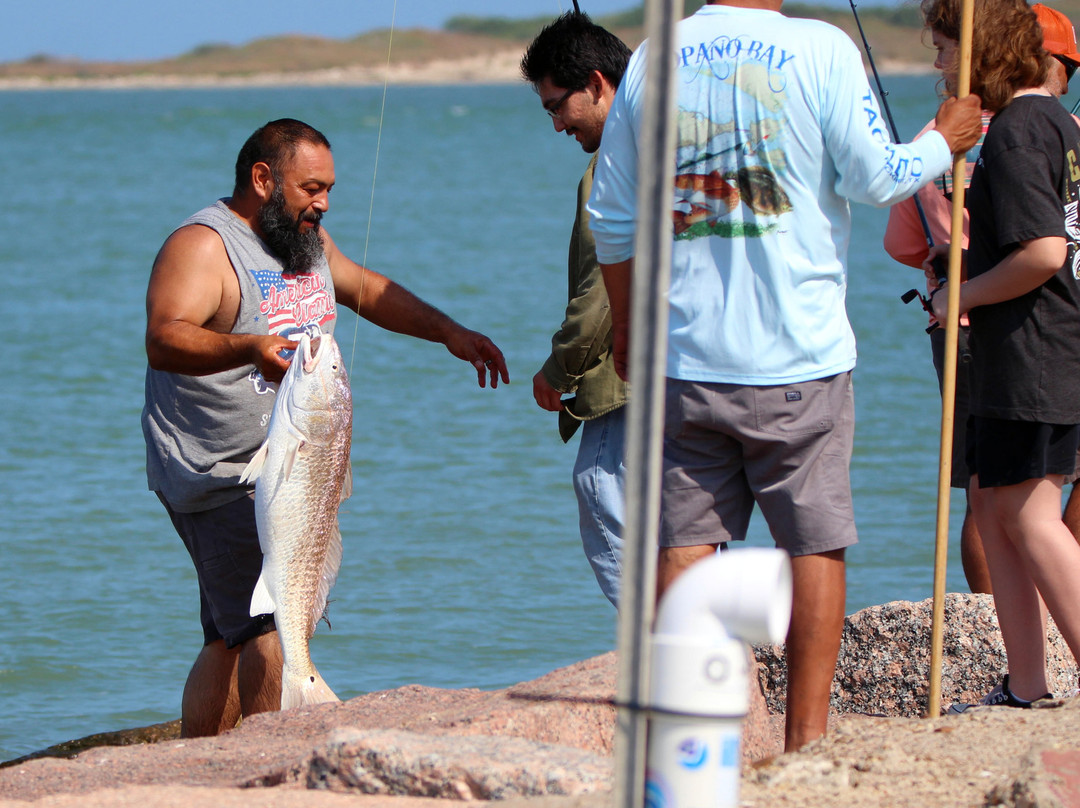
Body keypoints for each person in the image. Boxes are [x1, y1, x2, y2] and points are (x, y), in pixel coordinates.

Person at [586, 0, 982, 750]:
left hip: (684, 359)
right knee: (814, 543)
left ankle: (687, 739)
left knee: (684, 543)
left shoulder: (650, 57)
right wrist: (943, 138)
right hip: (803, 358)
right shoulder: (821, 47)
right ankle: (807, 744)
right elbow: (879, 177)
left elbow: (610, 217)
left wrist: (629, 330)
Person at [142, 119, 510, 738]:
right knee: (268, 630)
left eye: (329, 188)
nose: (324, 202)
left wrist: (450, 332)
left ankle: (200, 758)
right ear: (263, 179)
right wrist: (250, 348)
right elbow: (164, 336)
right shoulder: (205, 245)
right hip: (226, 471)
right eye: (311, 187)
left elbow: (365, 289)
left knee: (231, 633)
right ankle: (264, 767)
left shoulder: (305, 240)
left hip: (300, 469)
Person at [884, 2, 1080, 595]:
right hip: (1045, 322)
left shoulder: (936, 139)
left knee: (985, 487)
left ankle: (993, 620)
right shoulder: (1056, 132)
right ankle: (1053, 609)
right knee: (1037, 490)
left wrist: (950, 272)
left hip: (963, 321)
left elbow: (901, 243)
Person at [922, 0, 1080, 712]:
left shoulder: (1016, 131)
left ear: (978, 53)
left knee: (1030, 516)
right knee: (991, 504)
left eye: (942, 50)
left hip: (1037, 351)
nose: (934, 66)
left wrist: (964, 291)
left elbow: (1046, 251)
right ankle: (1025, 684)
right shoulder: (1056, 120)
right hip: (1035, 352)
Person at [519, 13, 632, 608]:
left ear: (597, 83)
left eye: (557, 106)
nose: (558, 125)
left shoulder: (615, 163)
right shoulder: (678, 142)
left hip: (633, 378)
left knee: (602, 492)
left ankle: (664, 656)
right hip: (697, 369)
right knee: (684, 523)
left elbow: (602, 291)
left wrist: (557, 371)